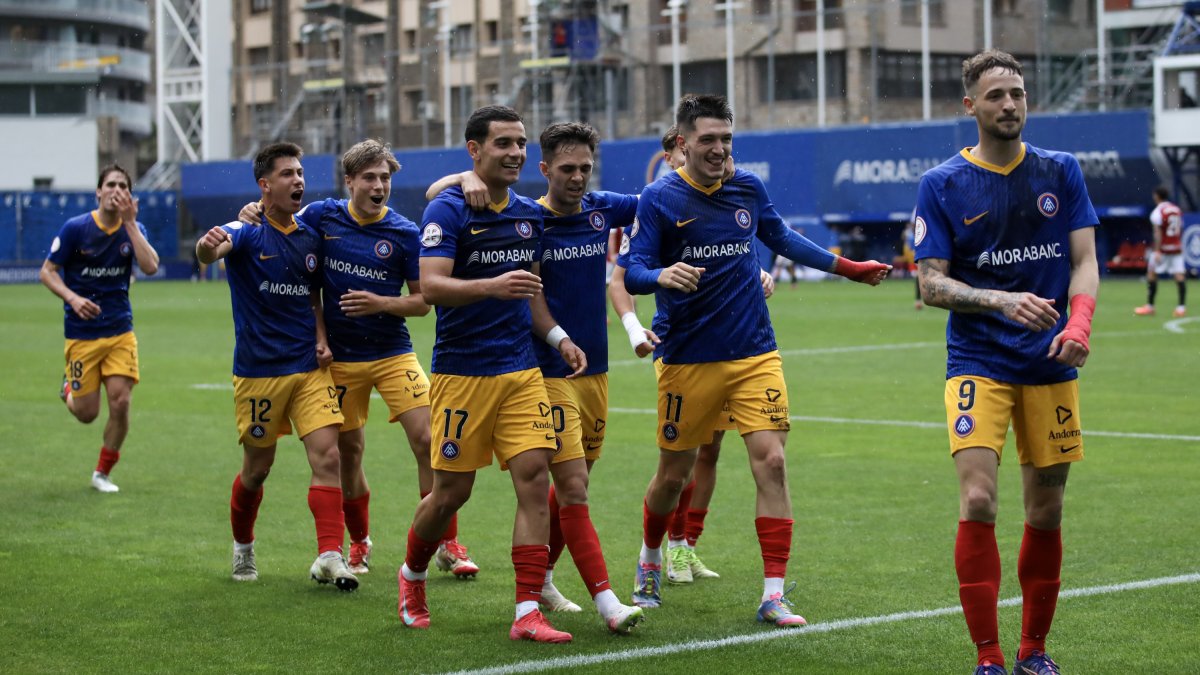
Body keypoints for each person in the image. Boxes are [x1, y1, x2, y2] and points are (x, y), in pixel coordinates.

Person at [621, 93, 890, 625]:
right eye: (708, 140)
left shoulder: (747, 187)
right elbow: (631, 272)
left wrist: (847, 267)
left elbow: (782, 237)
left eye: (726, 139)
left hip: (754, 353)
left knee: (772, 462)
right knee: (673, 477)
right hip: (687, 359)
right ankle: (650, 557)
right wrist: (659, 277)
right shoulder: (659, 198)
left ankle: (773, 593)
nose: (719, 149)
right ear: (682, 143)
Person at [914, 50, 1099, 675]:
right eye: (995, 95)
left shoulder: (1060, 170)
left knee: (1046, 511)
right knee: (979, 500)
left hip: (1051, 365)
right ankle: (989, 657)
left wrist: (1079, 324)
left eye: (1017, 93)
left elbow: (1083, 262)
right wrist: (998, 299)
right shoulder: (941, 185)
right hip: (978, 362)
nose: (1010, 105)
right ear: (971, 106)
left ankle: (1033, 652)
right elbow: (930, 285)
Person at [424, 122, 647, 633]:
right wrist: (462, 175)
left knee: (577, 478)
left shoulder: (601, 209)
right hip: (537, 369)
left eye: (585, 169)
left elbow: (662, 202)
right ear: (544, 170)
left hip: (592, 367)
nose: (577, 177)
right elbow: (440, 199)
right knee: (567, 483)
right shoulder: (528, 217)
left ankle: (542, 579)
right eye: (566, 169)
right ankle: (603, 601)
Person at [237, 140, 479, 579]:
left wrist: (381, 304)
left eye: (385, 177)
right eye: (369, 177)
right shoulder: (321, 216)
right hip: (341, 361)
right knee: (348, 453)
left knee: (429, 440)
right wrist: (250, 211)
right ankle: (359, 544)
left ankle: (447, 543)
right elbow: (283, 236)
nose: (378, 185)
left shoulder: (405, 232)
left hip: (392, 353)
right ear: (349, 181)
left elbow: (423, 301)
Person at [397, 105, 579, 643]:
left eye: (520, 143)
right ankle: (411, 576)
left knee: (534, 479)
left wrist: (557, 338)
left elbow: (533, 293)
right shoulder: (449, 209)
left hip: (521, 372)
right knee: (451, 495)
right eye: (503, 143)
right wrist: (491, 285)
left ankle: (526, 612)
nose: (516, 153)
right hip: (462, 375)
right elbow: (430, 287)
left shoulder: (529, 214)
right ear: (474, 150)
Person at [610, 124, 773, 587]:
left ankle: (686, 546)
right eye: (675, 154)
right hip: (679, 344)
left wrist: (757, 273)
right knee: (681, 461)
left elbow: (733, 247)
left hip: (733, 345)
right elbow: (623, 278)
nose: (683, 161)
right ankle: (662, 550)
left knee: (712, 451)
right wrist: (632, 329)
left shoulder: (727, 191)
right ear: (672, 154)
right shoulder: (655, 201)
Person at [196, 142, 357, 591]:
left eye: (301, 172)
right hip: (260, 372)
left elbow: (312, 297)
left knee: (328, 455)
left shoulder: (310, 235)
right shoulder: (247, 229)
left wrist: (322, 338)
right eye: (287, 174)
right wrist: (206, 248)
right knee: (257, 469)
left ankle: (330, 555)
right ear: (265, 186)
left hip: (309, 367)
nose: (298, 180)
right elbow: (212, 250)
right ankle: (243, 547)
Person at [39, 164, 160, 493]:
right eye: (110, 184)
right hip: (81, 334)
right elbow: (48, 272)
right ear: (98, 191)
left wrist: (131, 223)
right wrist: (72, 298)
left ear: (129, 196)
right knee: (86, 413)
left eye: (123, 185)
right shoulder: (76, 229)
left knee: (120, 402)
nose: (116, 190)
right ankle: (69, 389)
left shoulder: (132, 229)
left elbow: (150, 266)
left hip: (120, 330)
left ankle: (102, 473)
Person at [1133, 186, 1187, 317]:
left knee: (1151, 274)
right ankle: (1181, 308)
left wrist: (1157, 251)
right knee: (1179, 276)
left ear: (1157, 196)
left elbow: (1157, 232)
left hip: (1163, 249)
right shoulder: (1176, 209)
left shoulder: (1158, 211)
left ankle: (1150, 306)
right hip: (1176, 248)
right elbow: (1181, 227)